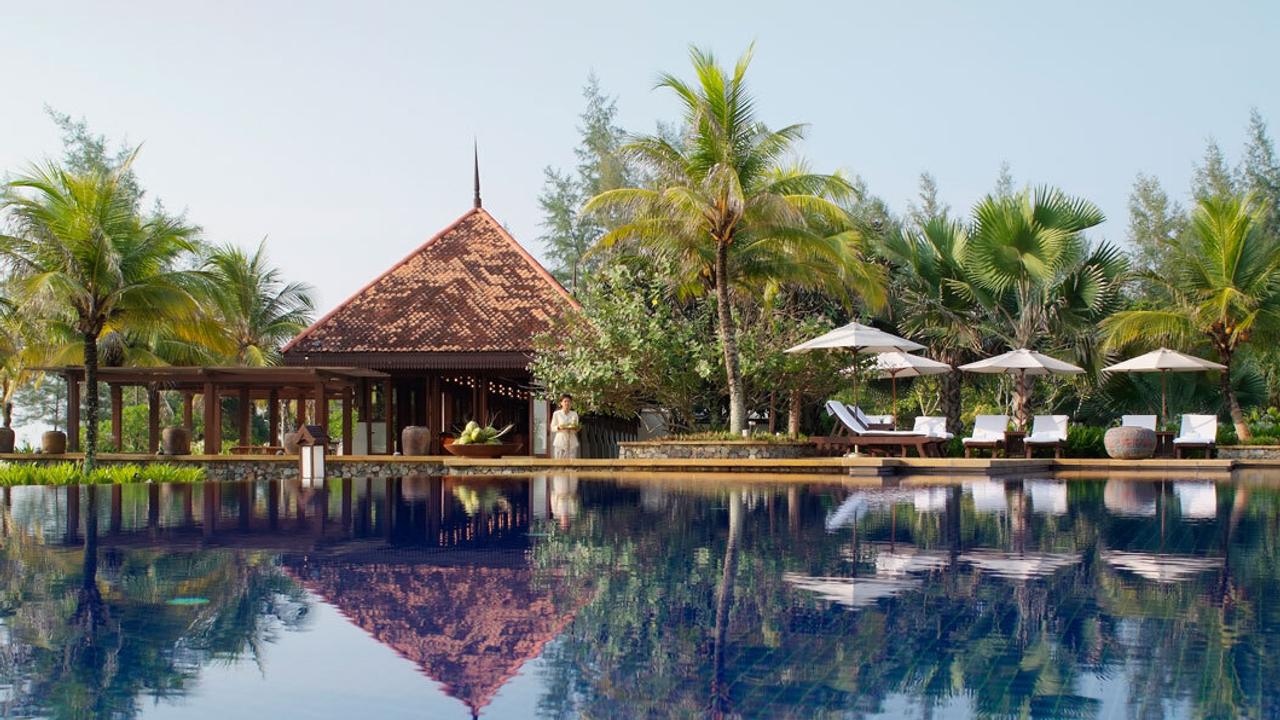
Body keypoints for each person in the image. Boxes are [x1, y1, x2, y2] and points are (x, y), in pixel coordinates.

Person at [550, 394, 580, 459]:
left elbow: (576, 427)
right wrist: (558, 427)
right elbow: (552, 428)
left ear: (571, 403)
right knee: (559, 464)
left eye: (569, 401)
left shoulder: (574, 414)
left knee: (572, 464)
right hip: (560, 442)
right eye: (565, 401)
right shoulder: (557, 414)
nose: (567, 403)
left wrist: (576, 429)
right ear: (561, 403)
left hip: (571, 442)